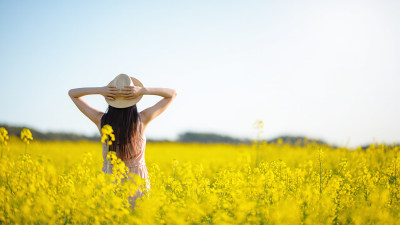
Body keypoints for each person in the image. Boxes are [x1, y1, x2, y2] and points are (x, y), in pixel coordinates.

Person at [68, 73, 177, 209]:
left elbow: (72, 93)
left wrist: (101, 90)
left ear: (110, 99)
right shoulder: (142, 120)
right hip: (137, 181)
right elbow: (172, 94)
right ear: (134, 99)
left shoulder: (101, 120)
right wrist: (142, 91)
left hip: (110, 180)